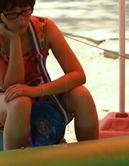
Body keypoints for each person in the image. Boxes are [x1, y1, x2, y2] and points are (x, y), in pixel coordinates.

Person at [0, 0, 98, 150]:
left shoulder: (43, 28)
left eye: (26, 11)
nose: (21, 20)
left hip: (37, 91)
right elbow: (11, 88)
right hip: (6, 98)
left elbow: (78, 74)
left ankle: (93, 157)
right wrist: (15, 41)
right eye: (12, 15)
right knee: (21, 103)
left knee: (82, 95)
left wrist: (37, 90)